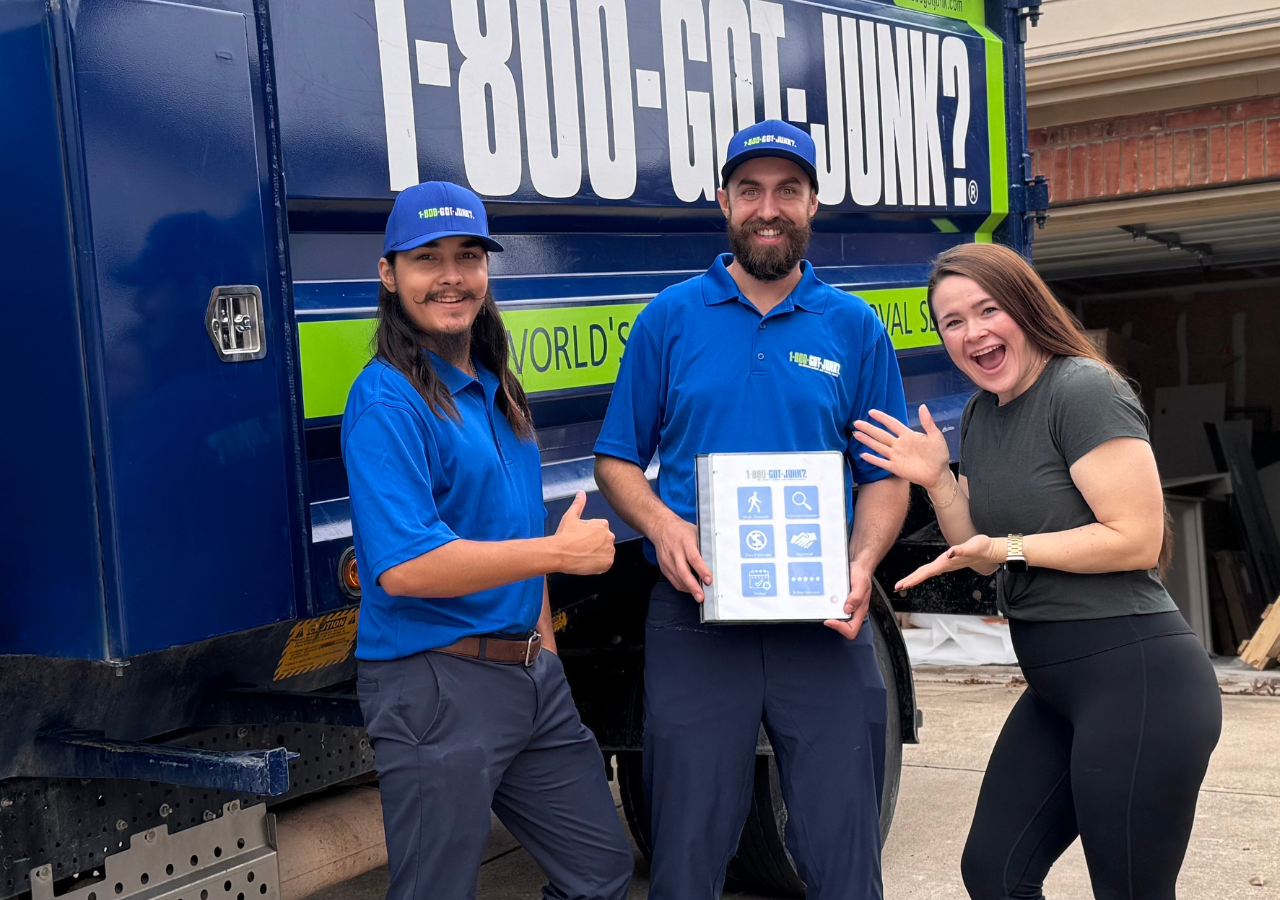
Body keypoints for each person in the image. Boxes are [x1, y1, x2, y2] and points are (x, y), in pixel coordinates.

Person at [592, 119, 908, 900]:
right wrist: (662, 526)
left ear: (813, 205)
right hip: (696, 614)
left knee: (843, 847)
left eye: (788, 191)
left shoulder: (855, 327)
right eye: (751, 191)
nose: (769, 208)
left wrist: (862, 563)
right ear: (724, 203)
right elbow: (616, 460)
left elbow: (887, 474)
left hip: (823, 619)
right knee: (689, 852)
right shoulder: (668, 318)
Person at [856, 242, 1221, 900]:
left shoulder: (1082, 389)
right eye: (953, 323)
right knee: (995, 871)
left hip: (1138, 679)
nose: (973, 333)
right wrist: (939, 480)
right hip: (1058, 689)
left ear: (1026, 307)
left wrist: (1011, 549)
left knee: (1130, 889)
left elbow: (1136, 538)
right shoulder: (980, 415)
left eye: (987, 310)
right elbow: (978, 543)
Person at [343, 180, 634, 900]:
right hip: (436, 682)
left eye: (468, 256)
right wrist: (558, 556)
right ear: (389, 274)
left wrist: (550, 660)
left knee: (600, 869)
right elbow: (406, 569)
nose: (451, 276)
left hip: (529, 677)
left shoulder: (496, 387)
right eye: (427, 258)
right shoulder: (386, 399)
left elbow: (514, 531)